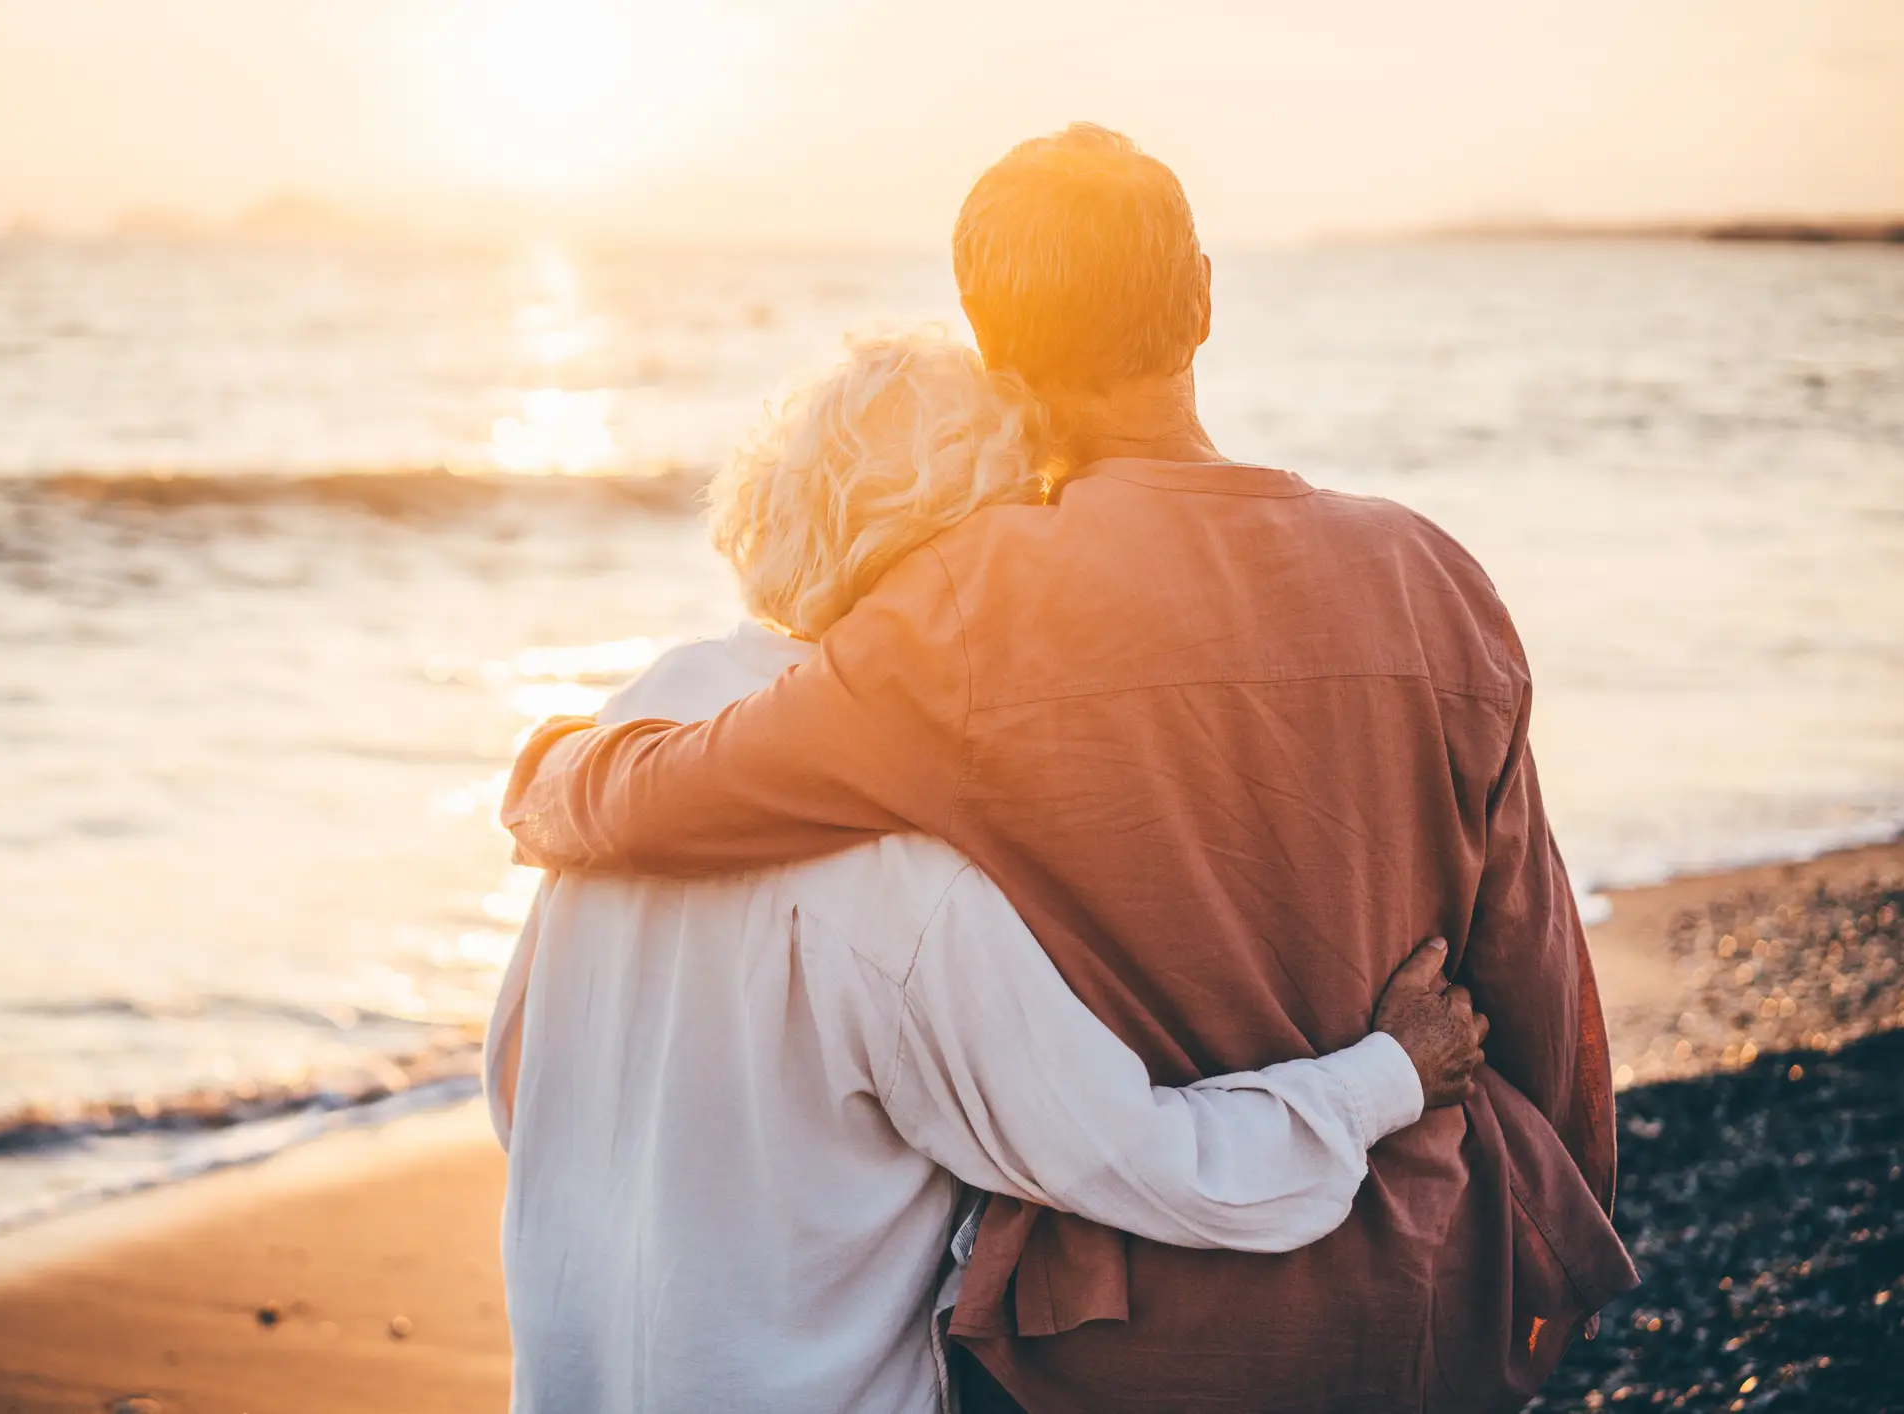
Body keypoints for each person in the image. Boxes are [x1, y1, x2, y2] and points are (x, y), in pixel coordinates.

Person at [502, 128, 1638, 1413]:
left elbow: (683, 797)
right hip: (1427, 1286)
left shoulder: (959, 616)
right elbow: (1534, 968)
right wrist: (1553, 1236)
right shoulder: (1433, 577)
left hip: (1113, 1338)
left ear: (992, 347)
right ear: (1202, 296)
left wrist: (549, 778)